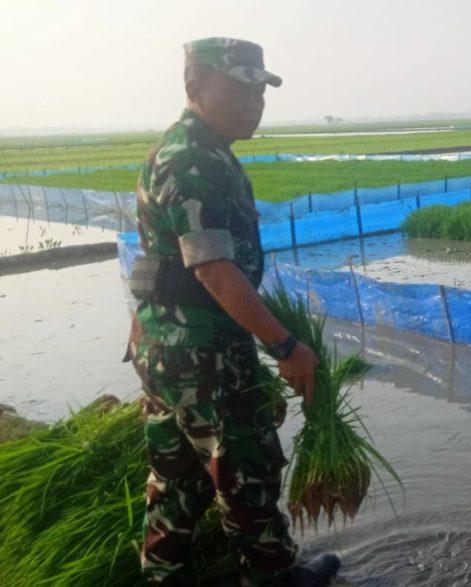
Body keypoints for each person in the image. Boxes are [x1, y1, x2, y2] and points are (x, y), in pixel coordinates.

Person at [124, 38, 339, 586]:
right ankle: (274, 577)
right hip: (205, 353)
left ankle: (162, 575)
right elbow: (215, 272)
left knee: (179, 476)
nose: (254, 100)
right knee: (247, 469)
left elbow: (164, 263)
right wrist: (286, 347)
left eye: (259, 88)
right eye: (238, 87)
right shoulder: (194, 159)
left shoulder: (195, 148)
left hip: (169, 345)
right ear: (195, 88)